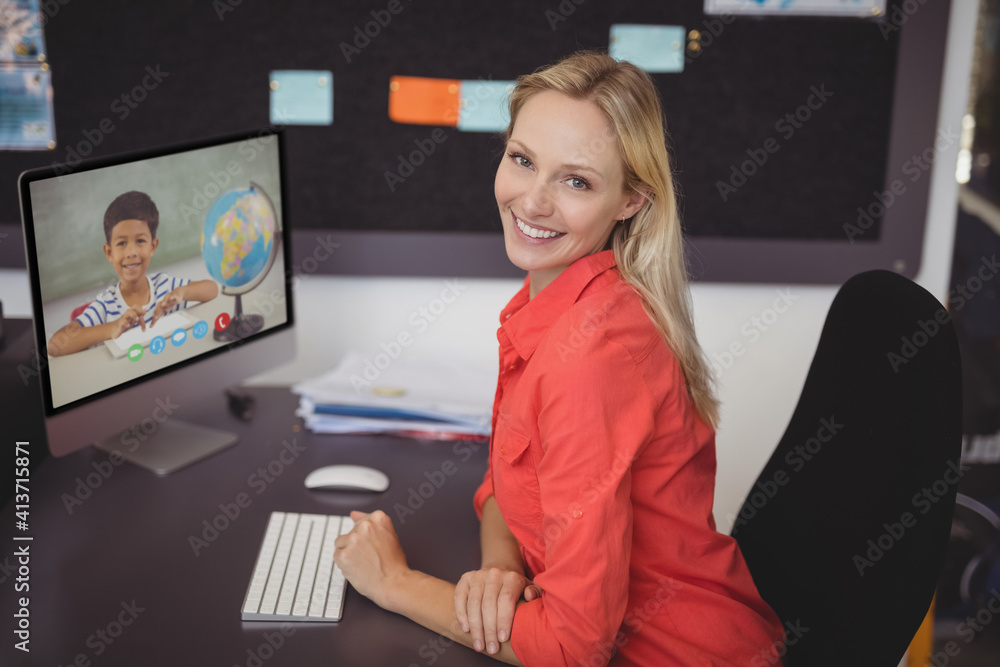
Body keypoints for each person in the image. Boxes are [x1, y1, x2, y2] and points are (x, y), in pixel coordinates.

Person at [333, 52, 785, 666]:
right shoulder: (551, 301)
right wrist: (500, 570)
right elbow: (505, 482)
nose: (532, 201)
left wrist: (395, 584)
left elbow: (572, 649)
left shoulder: (588, 357)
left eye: (576, 181)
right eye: (522, 160)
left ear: (631, 200)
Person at [48, 191, 219, 356]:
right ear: (109, 252)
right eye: (122, 243)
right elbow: (55, 345)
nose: (131, 252)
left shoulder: (165, 286)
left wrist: (182, 293)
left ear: (153, 246)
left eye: (140, 241)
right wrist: (113, 327)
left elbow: (212, 289)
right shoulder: (106, 304)